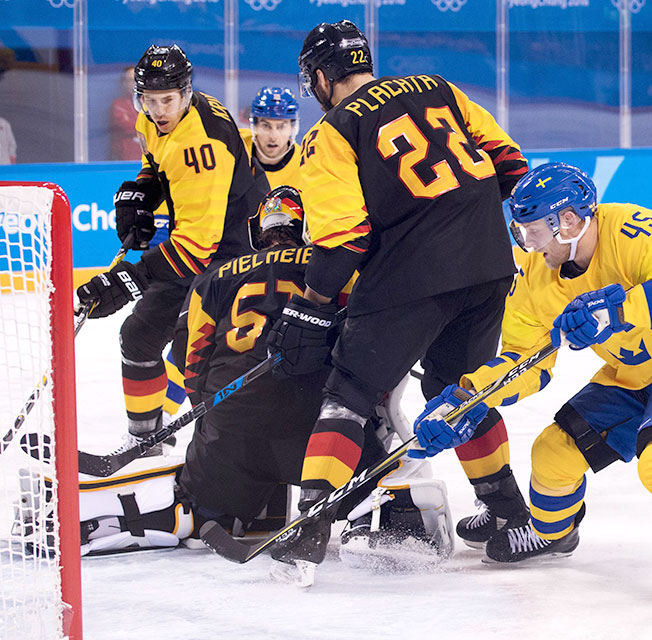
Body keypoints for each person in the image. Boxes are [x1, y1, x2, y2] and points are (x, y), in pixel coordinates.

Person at [412, 162, 652, 624]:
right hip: (633, 371)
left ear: (571, 221)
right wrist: (469, 399)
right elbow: (526, 360)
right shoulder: (537, 276)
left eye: (535, 230)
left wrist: (618, 309)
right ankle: (553, 534)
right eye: (521, 230)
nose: (527, 243)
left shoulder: (632, 230)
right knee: (552, 452)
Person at [76, 187, 453, 571]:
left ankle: (177, 512)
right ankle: (372, 518)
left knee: (203, 501)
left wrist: (214, 423)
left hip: (232, 437)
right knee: (373, 469)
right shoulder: (342, 270)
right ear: (308, 226)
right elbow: (376, 349)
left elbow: (187, 358)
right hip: (320, 437)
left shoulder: (215, 277)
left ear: (258, 232)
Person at [265, 20, 529, 565]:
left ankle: (312, 525)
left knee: (349, 393)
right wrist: (461, 223)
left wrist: (310, 305)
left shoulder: (331, 133)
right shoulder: (438, 87)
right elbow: (510, 164)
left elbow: (343, 242)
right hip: (487, 263)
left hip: (412, 276)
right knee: (458, 392)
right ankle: (508, 513)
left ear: (319, 76)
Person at [75, 44, 269, 452]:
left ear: (186, 93)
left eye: (168, 100)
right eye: (149, 99)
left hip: (238, 253)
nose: (159, 109)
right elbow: (158, 164)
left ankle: (223, 457)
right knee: (140, 335)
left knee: (196, 355)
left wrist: (128, 280)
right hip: (198, 240)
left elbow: (197, 248)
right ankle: (144, 443)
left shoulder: (203, 146)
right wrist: (143, 191)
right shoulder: (154, 119)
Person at [240, 86, 302, 188]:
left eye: (281, 127)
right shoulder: (237, 145)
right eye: (266, 126)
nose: (273, 136)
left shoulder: (305, 165)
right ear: (254, 125)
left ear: (292, 128)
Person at [109, 65, 142, 161]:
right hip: (125, 156)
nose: (134, 84)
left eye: (136, 80)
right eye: (131, 80)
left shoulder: (149, 102)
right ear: (124, 83)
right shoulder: (118, 104)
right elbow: (127, 126)